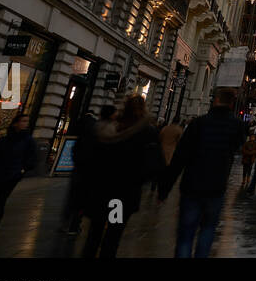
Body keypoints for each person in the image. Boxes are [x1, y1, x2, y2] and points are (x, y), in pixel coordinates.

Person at [160, 88, 246, 258]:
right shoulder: (237, 126)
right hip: (217, 186)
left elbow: (180, 157)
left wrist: (164, 188)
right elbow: (238, 147)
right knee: (207, 230)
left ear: (215, 101)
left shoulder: (198, 123)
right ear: (232, 103)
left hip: (192, 185)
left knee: (186, 233)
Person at [82, 95, 160, 258]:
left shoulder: (110, 126)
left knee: (94, 233)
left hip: (101, 189)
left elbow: (90, 157)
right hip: (121, 193)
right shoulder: (146, 131)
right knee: (113, 233)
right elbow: (151, 165)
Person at [0, 112, 38, 252]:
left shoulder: (28, 141)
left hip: (10, 177)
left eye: (26, 121)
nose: (25, 124)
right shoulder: (4, 139)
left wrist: (22, 171)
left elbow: (32, 160)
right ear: (15, 123)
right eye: (23, 121)